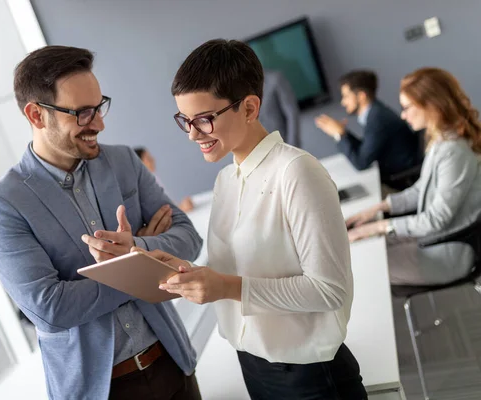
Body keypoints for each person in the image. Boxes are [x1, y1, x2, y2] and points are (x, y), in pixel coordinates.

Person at [138, 39, 367, 399]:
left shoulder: (296, 172)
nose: (193, 134)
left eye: (204, 119)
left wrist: (227, 287)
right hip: (252, 365)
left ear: (249, 107)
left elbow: (329, 289)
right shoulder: (226, 180)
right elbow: (239, 267)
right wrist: (186, 270)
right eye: (185, 120)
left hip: (309, 376)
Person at [0, 46, 203, 400]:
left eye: (99, 107)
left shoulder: (124, 160)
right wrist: (138, 270)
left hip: (173, 366)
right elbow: (51, 310)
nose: (98, 123)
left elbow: (188, 238)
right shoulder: (2, 205)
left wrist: (137, 248)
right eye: (82, 113)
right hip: (100, 391)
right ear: (36, 115)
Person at [346, 67, 481, 285]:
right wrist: (378, 209)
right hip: (433, 242)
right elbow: (421, 190)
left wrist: (380, 226)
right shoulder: (442, 140)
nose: (402, 114)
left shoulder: (454, 151)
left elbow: (436, 220)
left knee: (359, 262)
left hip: (448, 254)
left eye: (407, 107)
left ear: (433, 107)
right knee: (357, 247)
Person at [315, 70, 421, 190]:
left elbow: (361, 162)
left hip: (402, 182)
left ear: (361, 96)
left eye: (346, 96)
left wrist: (339, 134)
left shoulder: (377, 119)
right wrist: (343, 133)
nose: (343, 102)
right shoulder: (376, 113)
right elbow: (364, 150)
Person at [133, 147, 194, 212]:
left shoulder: (153, 179)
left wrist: (181, 206)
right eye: (149, 159)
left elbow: (166, 205)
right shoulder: (143, 188)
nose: (153, 160)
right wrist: (182, 209)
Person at [260, 69, 301, 147]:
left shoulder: (275, 78)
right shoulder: (238, 89)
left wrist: (293, 146)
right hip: (257, 152)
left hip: (282, 145)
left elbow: (292, 114)